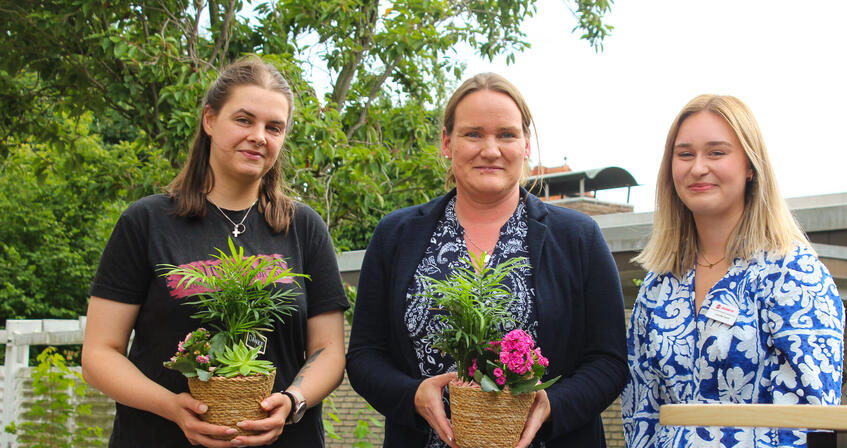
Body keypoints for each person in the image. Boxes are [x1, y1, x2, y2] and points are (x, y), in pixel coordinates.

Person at [346, 73, 628, 448]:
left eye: (507, 135)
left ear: (526, 145)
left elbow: (609, 360)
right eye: (473, 134)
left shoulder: (578, 237)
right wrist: (411, 395)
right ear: (447, 143)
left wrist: (552, 406)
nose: (490, 149)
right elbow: (365, 355)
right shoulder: (396, 236)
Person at [81, 56, 349, 448]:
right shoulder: (147, 221)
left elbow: (328, 351)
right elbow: (99, 353)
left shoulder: (303, 227)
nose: (259, 135)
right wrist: (173, 407)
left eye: (274, 127)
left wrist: (293, 401)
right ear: (209, 120)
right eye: (244, 120)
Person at [620, 95, 845, 448]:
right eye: (685, 154)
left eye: (716, 152)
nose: (698, 168)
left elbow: (811, 420)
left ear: (750, 166)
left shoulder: (792, 275)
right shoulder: (657, 286)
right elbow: (641, 413)